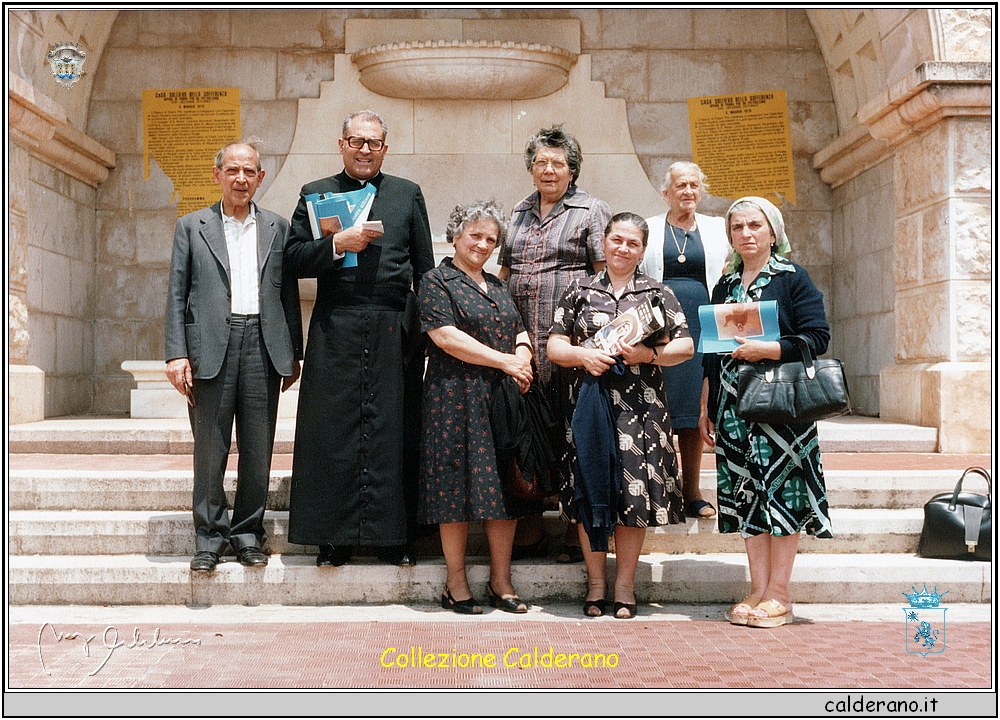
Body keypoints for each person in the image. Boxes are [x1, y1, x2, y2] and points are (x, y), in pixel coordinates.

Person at [285, 110, 435, 567]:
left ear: (385, 148)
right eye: (356, 141)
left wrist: (428, 332)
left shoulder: (407, 194)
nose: (364, 149)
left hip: (393, 325)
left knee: (394, 429)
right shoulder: (315, 193)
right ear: (341, 144)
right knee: (331, 431)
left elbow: (425, 271)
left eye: (373, 142)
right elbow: (292, 259)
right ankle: (333, 538)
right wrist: (335, 246)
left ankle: (395, 538)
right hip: (336, 324)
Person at [165, 138, 303, 573]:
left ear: (260, 178)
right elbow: (175, 294)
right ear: (218, 174)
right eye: (233, 171)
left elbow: (288, 294)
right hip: (210, 347)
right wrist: (176, 353)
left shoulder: (278, 228)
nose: (241, 179)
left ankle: (247, 534)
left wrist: (292, 354)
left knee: (259, 447)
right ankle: (209, 538)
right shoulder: (192, 226)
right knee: (211, 447)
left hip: (263, 344)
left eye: (250, 172)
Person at [547, 213, 693, 618]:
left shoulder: (657, 294)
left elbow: (686, 346)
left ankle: (625, 586)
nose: (622, 248)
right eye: (616, 240)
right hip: (590, 405)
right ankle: (596, 585)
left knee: (635, 494)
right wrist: (583, 355)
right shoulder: (578, 290)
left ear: (642, 250)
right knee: (590, 488)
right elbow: (554, 347)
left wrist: (649, 355)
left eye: (632, 243)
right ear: (605, 243)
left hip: (640, 409)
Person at [699, 196, 833, 628]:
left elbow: (817, 336)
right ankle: (757, 588)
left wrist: (768, 350)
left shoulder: (793, 279)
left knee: (784, 494)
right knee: (747, 497)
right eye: (737, 227)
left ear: (773, 233)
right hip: (734, 410)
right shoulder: (725, 285)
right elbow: (711, 353)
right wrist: (708, 404)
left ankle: (780, 593)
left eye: (754, 225)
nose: (746, 234)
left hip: (781, 409)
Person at [498, 125, 611, 564]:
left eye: (558, 163)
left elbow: (603, 274)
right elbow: (504, 273)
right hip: (524, 339)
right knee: (527, 431)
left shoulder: (592, 210)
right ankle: (527, 524)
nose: (549, 170)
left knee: (571, 432)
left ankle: (573, 528)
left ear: (572, 170)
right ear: (531, 168)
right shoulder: (518, 212)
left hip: (571, 341)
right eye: (541, 162)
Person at [419, 201, 535, 614]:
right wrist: (506, 361)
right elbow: (446, 337)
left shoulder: (497, 285)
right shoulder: (436, 281)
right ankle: (456, 581)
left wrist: (522, 356)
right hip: (455, 397)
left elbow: (519, 328)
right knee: (455, 488)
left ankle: (501, 580)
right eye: (475, 236)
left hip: (501, 400)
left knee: (504, 487)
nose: (483, 244)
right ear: (455, 237)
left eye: (491, 239)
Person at [643, 162, 731, 520]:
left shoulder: (717, 229)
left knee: (694, 408)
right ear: (666, 192)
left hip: (702, 325)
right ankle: (660, 490)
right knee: (659, 406)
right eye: (680, 185)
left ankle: (692, 491)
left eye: (694, 185)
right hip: (659, 327)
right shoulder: (648, 227)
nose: (688, 192)